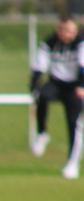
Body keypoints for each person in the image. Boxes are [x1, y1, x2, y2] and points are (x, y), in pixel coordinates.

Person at [29, 15, 84, 180]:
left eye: (68, 30)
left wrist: (81, 86)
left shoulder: (80, 43)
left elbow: (83, 66)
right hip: (56, 83)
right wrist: (33, 87)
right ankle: (42, 133)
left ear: (75, 30)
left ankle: (72, 162)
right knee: (43, 96)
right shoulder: (49, 42)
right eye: (61, 29)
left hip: (74, 86)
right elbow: (39, 67)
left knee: (73, 122)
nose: (64, 33)